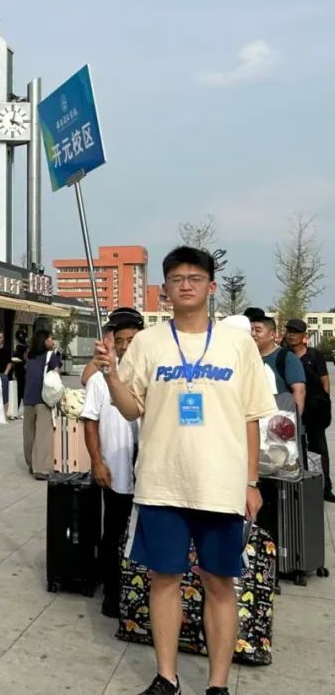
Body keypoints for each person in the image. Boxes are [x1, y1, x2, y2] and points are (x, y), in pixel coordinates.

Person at [94, 247, 274, 695]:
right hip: (161, 483)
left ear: (211, 287)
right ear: (166, 289)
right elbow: (131, 408)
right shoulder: (148, 343)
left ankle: (217, 685)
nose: (186, 285)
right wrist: (112, 375)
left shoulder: (237, 344)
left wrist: (251, 481)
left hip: (221, 484)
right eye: (177, 279)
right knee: (164, 579)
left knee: (219, 582)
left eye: (195, 277)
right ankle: (167, 677)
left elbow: (251, 417)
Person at [80, 307, 144, 618]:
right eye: (121, 341)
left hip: (149, 472)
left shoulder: (152, 376)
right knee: (114, 532)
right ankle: (113, 593)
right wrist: (97, 462)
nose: (126, 346)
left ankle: (141, 594)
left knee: (144, 534)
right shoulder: (100, 380)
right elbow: (90, 423)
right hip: (116, 469)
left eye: (132, 340)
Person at [283, 319, 334, 502]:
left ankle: (324, 488)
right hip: (291, 409)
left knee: (318, 448)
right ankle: (296, 487)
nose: (292, 335)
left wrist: (324, 400)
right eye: (289, 331)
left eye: (296, 332)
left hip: (314, 410)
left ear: (304, 335)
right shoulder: (283, 355)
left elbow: (324, 380)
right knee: (292, 449)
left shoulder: (314, 355)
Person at [23, 330, 61, 479]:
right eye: (51, 338)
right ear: (45, 341)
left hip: (28, 399)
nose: (53, 341)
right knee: (43, 434)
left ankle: (31, 464)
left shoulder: (29, 356)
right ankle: (42, 469)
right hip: (43, 399)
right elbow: (56, 376)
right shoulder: (51, 356)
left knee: (29, 434)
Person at [250, 315, 305, 413]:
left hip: (277, 418)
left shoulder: (287, 357)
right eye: (251, 330)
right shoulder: (247, 357)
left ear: (272, 335)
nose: (253, 334)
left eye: (258, 330)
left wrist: (293, 418)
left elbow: (299, 391)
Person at [10, 329, 29, 420]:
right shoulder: (26, 347)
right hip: (23, 372)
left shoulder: (19, 347)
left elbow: (16, 360)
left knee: (19, 393)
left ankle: (16, 412)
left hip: (20, 372)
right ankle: (21, 412)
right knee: (23, 392)